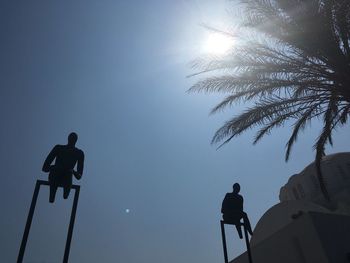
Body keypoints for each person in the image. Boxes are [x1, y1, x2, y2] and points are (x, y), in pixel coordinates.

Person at [42, 132, 85, 203]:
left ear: (76, 140)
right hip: (55, 175)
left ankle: (65, 193)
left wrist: (72, 171)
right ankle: (52, 195)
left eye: (73, 139)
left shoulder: (79, 153)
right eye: (71, 138)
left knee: (68, 172)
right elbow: (45, 168)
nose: (72, 140)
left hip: (67, 177)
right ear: (68, 138)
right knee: (56, 171)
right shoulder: (58, 148)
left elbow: (79, 176)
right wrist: (55, 167)